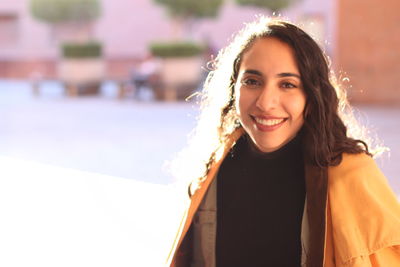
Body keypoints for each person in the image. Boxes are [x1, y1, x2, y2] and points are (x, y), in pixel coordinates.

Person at [166, 17, 400, 267]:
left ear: (312, 95)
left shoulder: (351, 175)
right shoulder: (212, 166)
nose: (266, 103)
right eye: (252, 81)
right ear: (234, 89)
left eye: (288, 84)